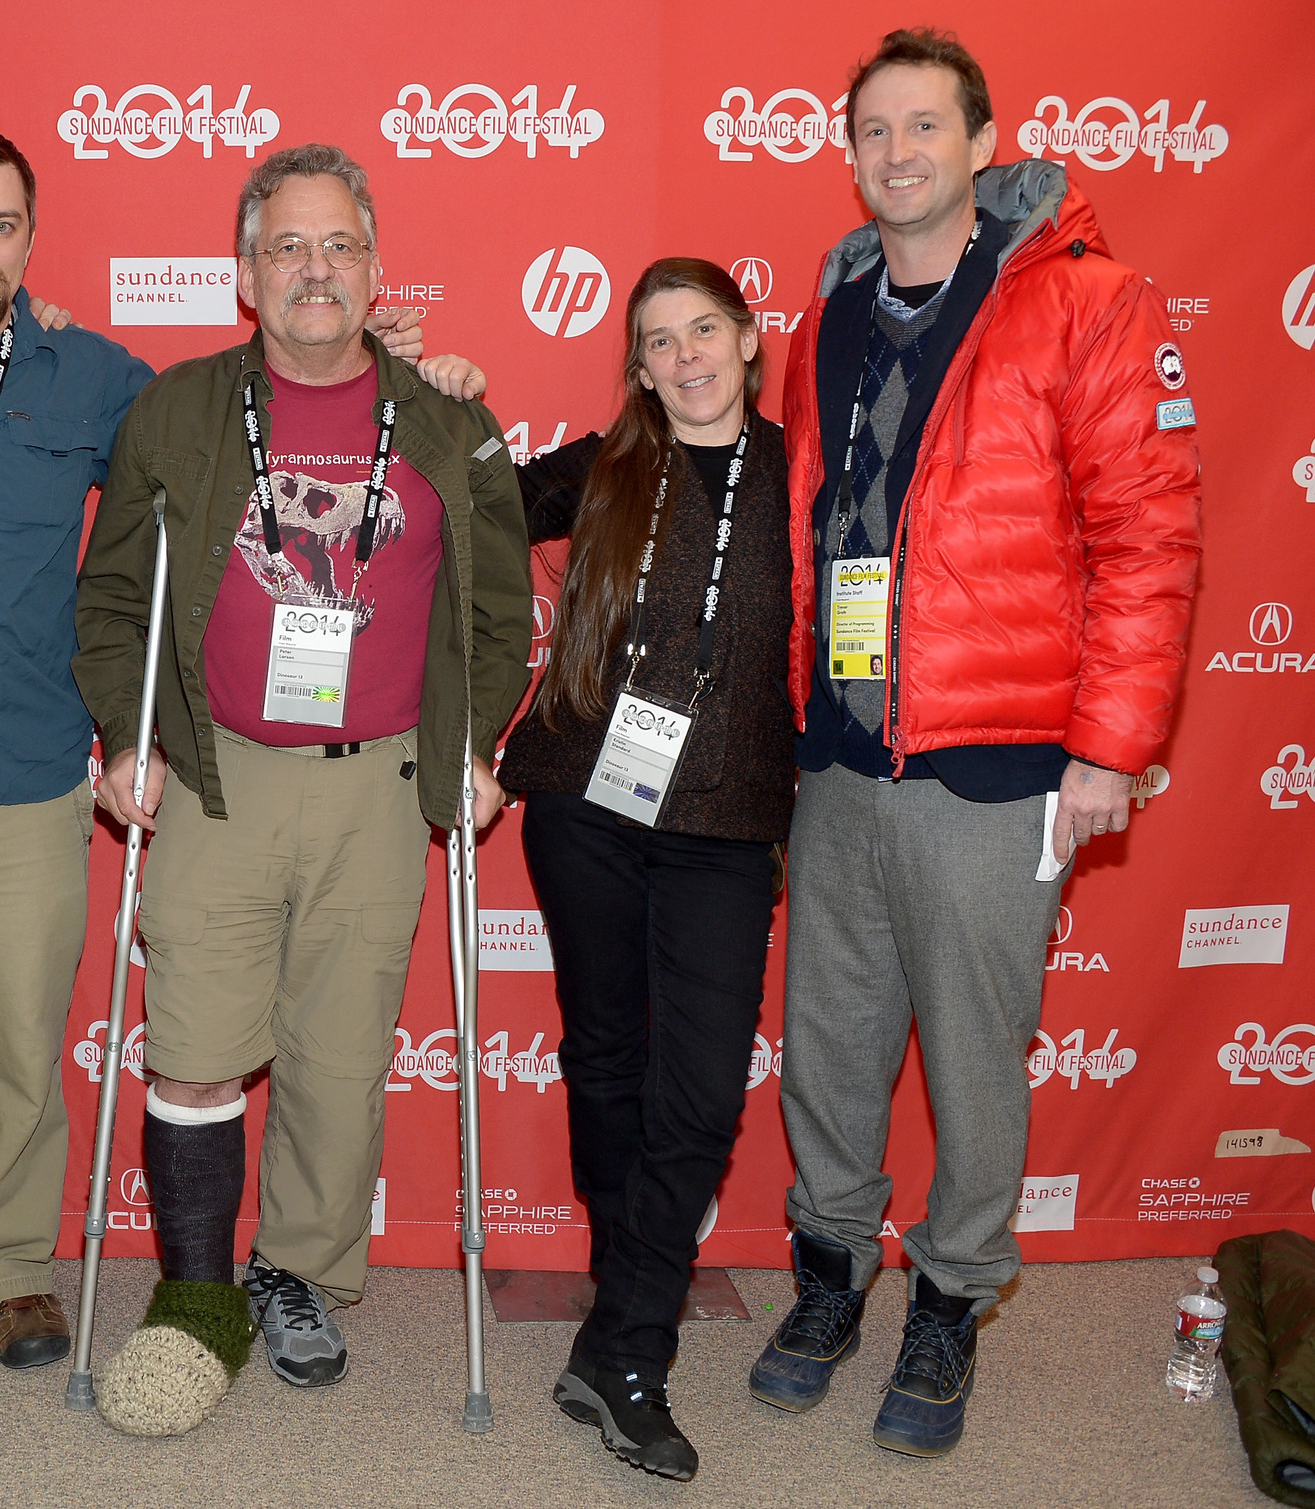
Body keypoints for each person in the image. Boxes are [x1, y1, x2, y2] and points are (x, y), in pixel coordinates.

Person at [0, 125, 452, 1399]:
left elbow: (247, 416)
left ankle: (10, 1267)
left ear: (29, 241)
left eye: (1, 227)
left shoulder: (90, 376)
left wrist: (428, 390)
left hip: (25, 773)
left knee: (19, 1050)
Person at [748, 28, 1201, 1457]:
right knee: (828, 1043)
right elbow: (813, 531)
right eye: (873, 130)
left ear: (983, 141)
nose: (898, 153)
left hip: (1001, 761)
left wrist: (1110, 746)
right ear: (852, 153)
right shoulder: (824, 319)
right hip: (840, 749)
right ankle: (830, 1275)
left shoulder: (1088, 302)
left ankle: (951, 1295)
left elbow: (1149, 536)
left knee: (975, 1059)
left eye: (924, 127)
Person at [72, 142, 531, 1437]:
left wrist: (477, 741)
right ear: (244, 273)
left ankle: (297, 1274)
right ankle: (199, 1291)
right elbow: (115, 595)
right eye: (287, 247)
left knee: (336, 1061)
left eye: (338, 247)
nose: (315, 271)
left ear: (374, 266)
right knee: (199, 1050)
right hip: (220, 774)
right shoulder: (179, 407)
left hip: (381, 783)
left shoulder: (448, 418)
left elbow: (498, 609)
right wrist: (127, 730)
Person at [497, 259, 794, 1481]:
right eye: (657, 341)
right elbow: (470, 509)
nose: (682, 357)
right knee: (607, 1056)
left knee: (704, 1089)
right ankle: (628, 1347)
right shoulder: (609, 464)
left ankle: (623, 1331)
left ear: (746, 341)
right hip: (584, 801)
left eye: (702, 331)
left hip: (725, 819)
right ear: (637, 365)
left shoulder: (806, 470)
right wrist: (428, 388)